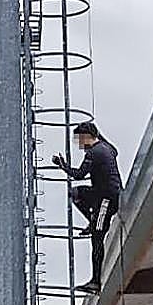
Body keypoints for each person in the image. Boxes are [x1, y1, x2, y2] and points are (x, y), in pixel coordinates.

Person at [52, 121, 123, 292]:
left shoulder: (94, 153)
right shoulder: (107, 147)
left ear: (86, 137)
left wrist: (62, 165)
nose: (79, 144)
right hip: (105, 194)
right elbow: (116, 150)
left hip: (106, 200)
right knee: (75, 194)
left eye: (79, 139)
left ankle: (95, 281)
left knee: (97, 238)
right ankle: (92, 221)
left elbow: (78, 174)